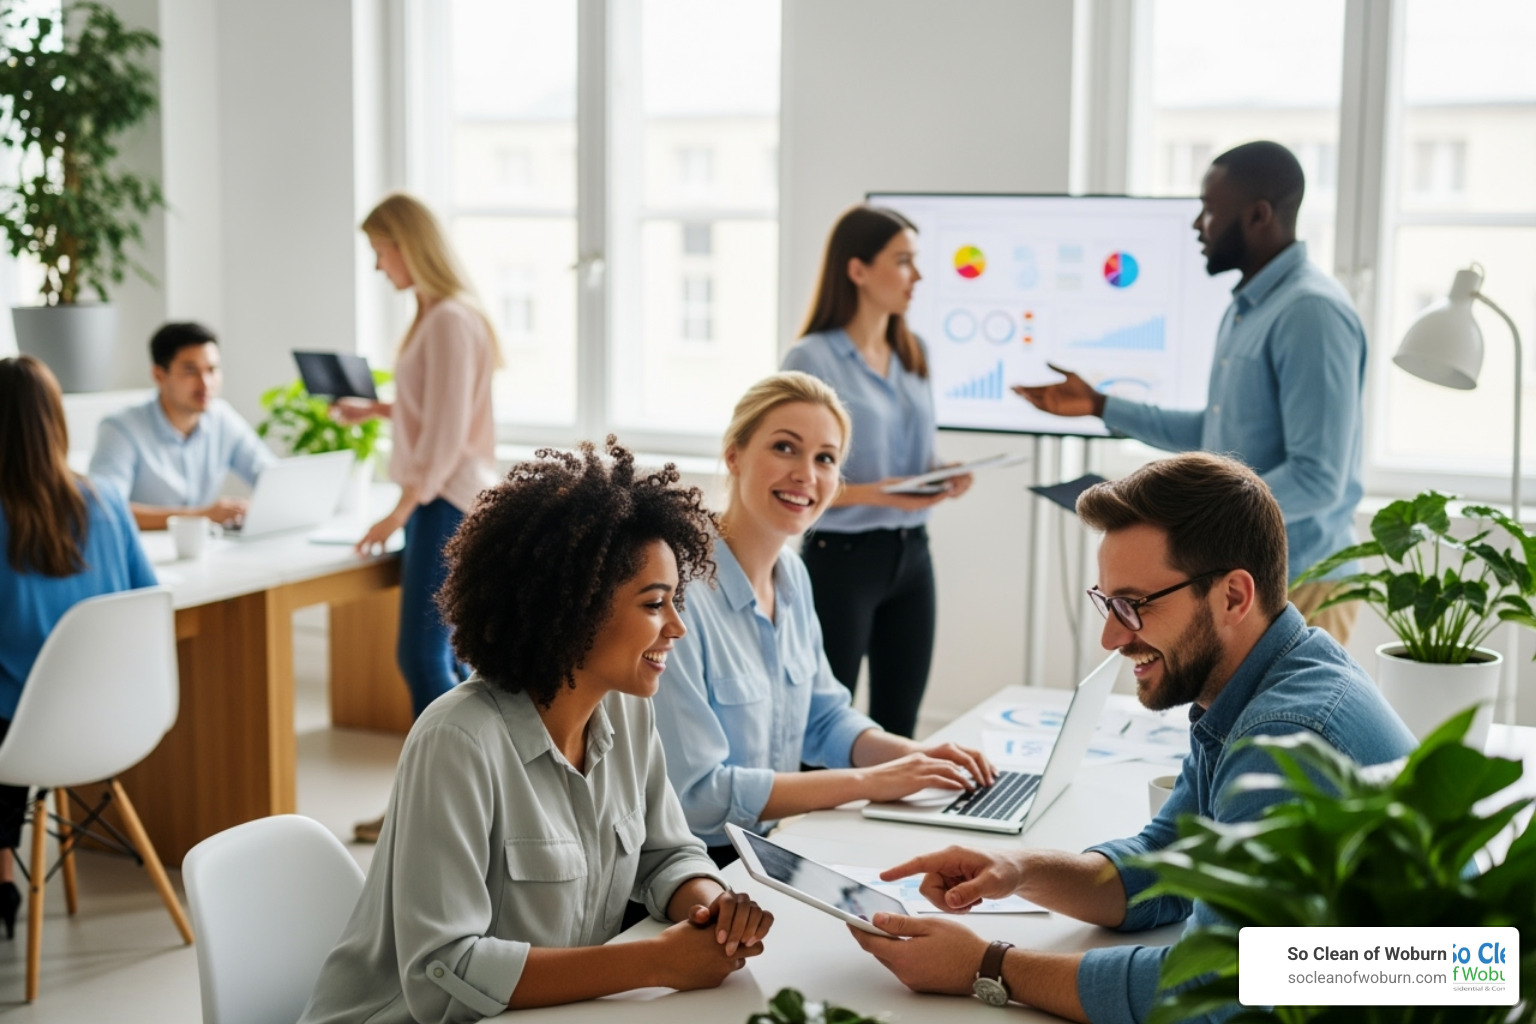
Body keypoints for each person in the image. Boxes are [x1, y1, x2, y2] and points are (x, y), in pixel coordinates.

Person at [847, 453, 1415, 1024]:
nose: (1111, 636)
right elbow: (1167, 864)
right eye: (1107, 603)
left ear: (1233, 598)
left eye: (1134, 605)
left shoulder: (1285, 737)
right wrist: (1020, 870)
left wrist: (986, 967)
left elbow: (1211, 989)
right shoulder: (1261, 679)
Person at [298, 439, 774, 1023]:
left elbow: (664, 854)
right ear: (577, 608)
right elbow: (442, 975)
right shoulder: (458, 741)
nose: (676, 626)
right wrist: (656, 963)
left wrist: (713, 913)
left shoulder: (627, 711)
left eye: (676, 602)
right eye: (655, 604)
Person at [1013, 141, 1367, 644]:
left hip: (1303, 583)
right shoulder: (1248, 307)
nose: (1198, 226)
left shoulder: (1310, 312)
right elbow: (1218, 433)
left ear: (1259, 215)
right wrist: (1101, 405)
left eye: (1209, 211)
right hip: (1251, 580)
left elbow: (1318, 478)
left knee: (1280, 726)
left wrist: (1195, 523)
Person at [652, 372, 996, 865]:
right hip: (691, 866)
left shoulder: (792, 575)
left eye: (825, 459)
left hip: (765, 849)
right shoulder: (680, 593)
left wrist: (916, 757)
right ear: (734, 455)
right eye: (785, 448)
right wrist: (868, 784)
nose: (806, 475)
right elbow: (698, 797)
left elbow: (825, 719)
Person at [334, 192, 498, 842]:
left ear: (407, 244)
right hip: (438, 499)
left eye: (380, 251)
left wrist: (400, 506)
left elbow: (451, 434)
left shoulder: (452, 319)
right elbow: (434, 413)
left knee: (423, 658)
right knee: (443, 661)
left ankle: (449, 807)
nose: (379, 267)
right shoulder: (435, 318)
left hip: (444, 503)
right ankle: (437, 802)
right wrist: (376, 411)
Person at [781, 205, 973, 738]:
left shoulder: (915, 353)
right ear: (858, 269)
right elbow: (795, 482)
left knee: (899, 727)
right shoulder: (812, 358)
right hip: (841, 564)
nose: (918, 276)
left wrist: (941, 475)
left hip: (912, 557)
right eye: (904, 261)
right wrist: (881, 494)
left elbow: (914, 457)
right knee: (821, 729)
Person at [0, 356, 158, 941]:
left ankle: (4, 884)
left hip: (22, 735)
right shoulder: (110, 502)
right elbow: (147, 601)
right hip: (110, 724)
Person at [89, 321, 276, 530]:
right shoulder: (121, 429)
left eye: (212, 370)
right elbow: (102, 507)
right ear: (159, 375)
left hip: (207, 551)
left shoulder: (223, 418)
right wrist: (201, 516)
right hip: (146, 553)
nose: (205, 383)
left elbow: (271, 477)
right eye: (190, 370)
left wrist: (250, 509)